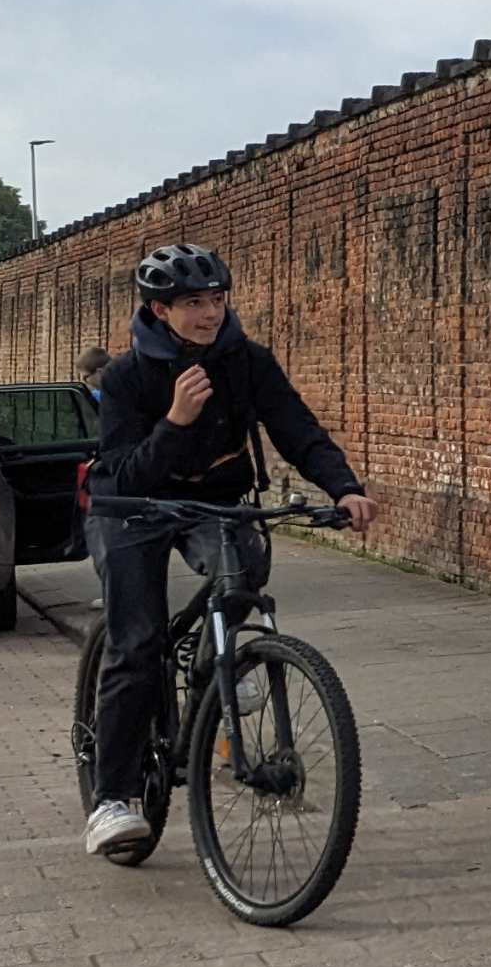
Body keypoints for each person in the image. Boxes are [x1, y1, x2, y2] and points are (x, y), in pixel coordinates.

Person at [82, 243, 378, 856]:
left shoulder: (246, 361)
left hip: (213, 501)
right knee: (136, 642)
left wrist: (344, 488)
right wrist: (176, 421)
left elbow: (297, 428)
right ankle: (112, 799)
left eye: (217, 299)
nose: (210, 314)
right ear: (160, 311)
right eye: (194, 303)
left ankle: (214, 666)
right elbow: (125, 473)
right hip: (132, 509)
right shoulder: (126, 377)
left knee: (242, 568)